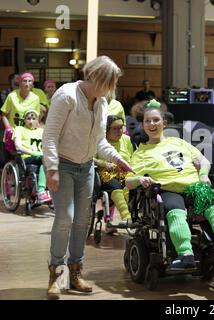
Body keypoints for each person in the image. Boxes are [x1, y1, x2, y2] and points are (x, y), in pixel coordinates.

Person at [42, 56, 134, 299]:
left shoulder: (102, 102)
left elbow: (100, 141)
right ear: (95, 77)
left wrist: (117, 159)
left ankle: (75, 273)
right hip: (62, 165)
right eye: (109, 82)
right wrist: (51, 168)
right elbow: (49, 136)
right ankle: (56, 275)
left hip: (86, 168)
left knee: (82, 221)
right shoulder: (67, 95)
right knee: (65, 218)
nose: (111, 87)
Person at [125, 101, 214, 272]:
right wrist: (140, 179)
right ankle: (185, 254)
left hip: (193, 186)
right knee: (173, 207)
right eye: (148, 121)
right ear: (143, 125)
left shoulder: (178, 142)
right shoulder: (140, 152)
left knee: (208, 196)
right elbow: (128, 181)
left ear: (164, 122)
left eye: (156, 120)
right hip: (168, 189)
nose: (152, 124)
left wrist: (203, 175)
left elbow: (203, 161)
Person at [94, 115, 133, 234]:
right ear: (107, 129)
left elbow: (132, 157)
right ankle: (127, 217)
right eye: (115, 128)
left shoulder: (126, 139)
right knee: (115, 187)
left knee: (134, 184)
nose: (119, 131)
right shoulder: (100, 141)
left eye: (121, 127)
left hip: (125, 173)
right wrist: (104, 163)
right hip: (106, 173)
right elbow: (90, 158)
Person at [13, 109, 51, 203]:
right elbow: (18, 146)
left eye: (33, 118)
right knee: (44, 158)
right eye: (28, 118)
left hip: (42, 158)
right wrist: (34, 153)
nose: (31, 121)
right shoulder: (19, 129)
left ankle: (52, 193)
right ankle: (41, 191)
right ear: (24, 120)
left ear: (37, 120)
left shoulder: (42, 131)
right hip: (26, 158)